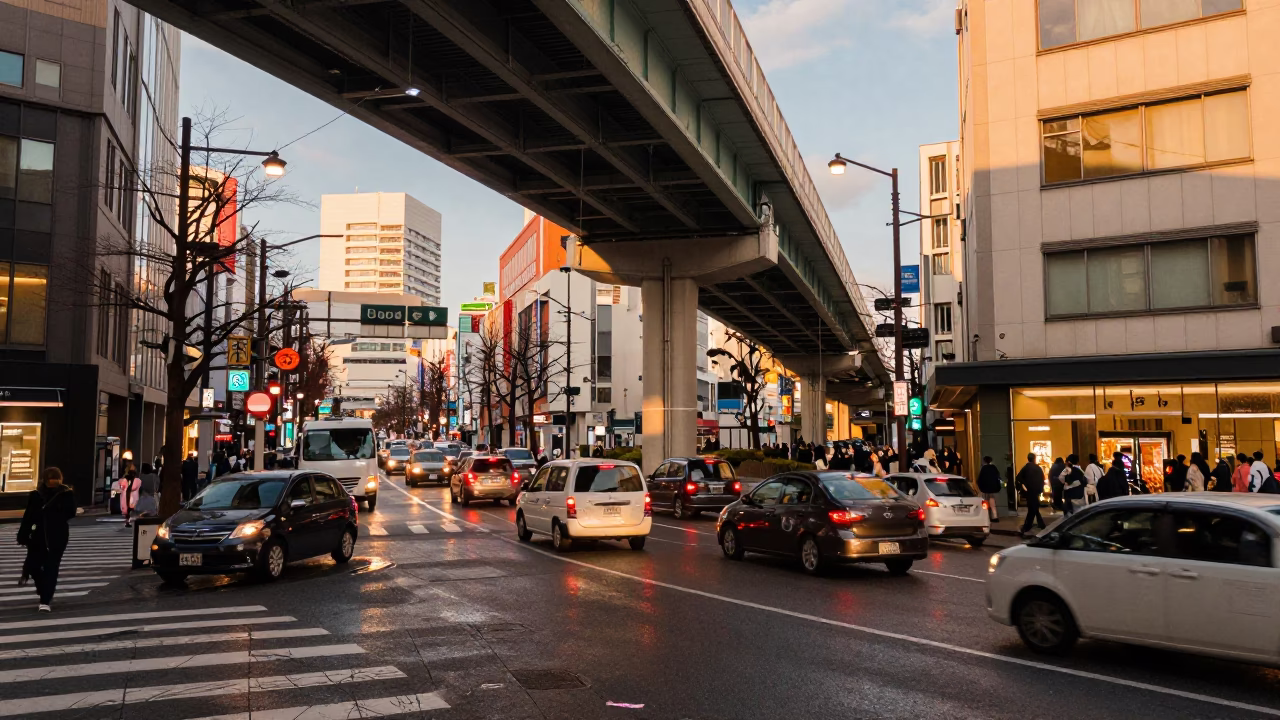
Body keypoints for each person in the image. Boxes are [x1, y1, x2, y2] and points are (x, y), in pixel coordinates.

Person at [17, 467, 77, 612]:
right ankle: (44, 592)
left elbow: (70, 512)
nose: (52, 482)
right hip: (47, 535)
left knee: (47, 566)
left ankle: (45, 598)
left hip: (51, 535)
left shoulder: (63, 494)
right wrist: (23, 535)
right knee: (40, 566)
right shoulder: (39, 495)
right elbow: (29, 516)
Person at [1016, 453, 1047, 535]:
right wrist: (1041, 489)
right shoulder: (1038, 468)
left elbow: (1018, 477)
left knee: (1032, 507)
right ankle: (1039, 524)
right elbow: (1042, 479)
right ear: (1034, 458)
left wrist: (1025, 484)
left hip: (1029, 490)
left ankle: (1028, 526)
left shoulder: (1026, 468)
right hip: (1036, 490)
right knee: (1034, 507)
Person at [976, 456, 1002, 522]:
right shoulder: (994, 468)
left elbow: (980, 479)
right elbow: (998, 477)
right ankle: (994, 516)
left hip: (985, 488)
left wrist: (980, 487)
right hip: (993, 488)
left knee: (985, 502)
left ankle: (986, 516)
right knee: (992, 502)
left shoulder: (983, 468)